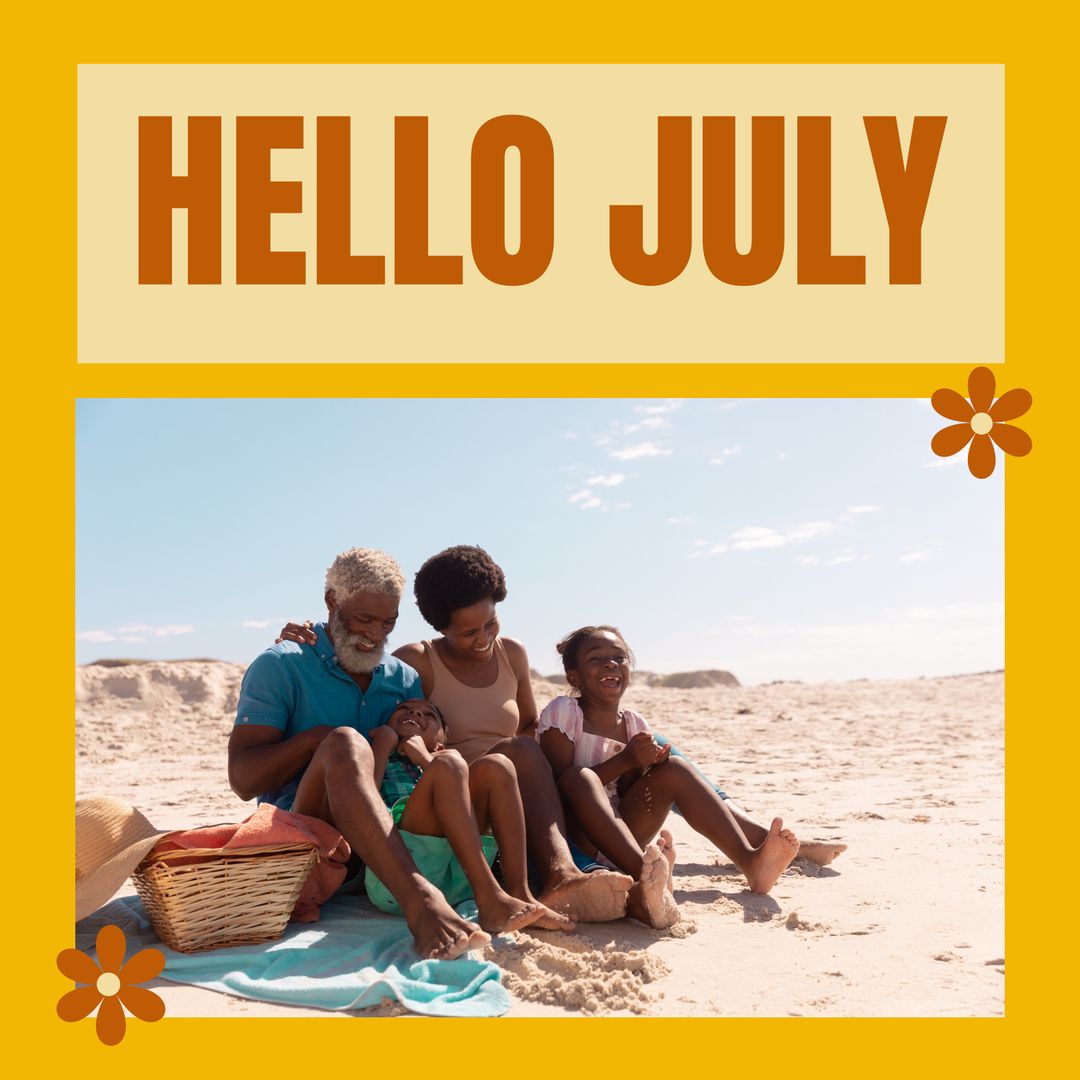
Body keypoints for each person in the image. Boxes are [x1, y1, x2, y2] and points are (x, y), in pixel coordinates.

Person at [277, 545, 634, 923]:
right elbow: (384, 705)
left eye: (491, 623)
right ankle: (553, 876)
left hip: (507, 785)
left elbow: (530, 724)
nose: (484, 638)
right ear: (440, 627)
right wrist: (312, 636)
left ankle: (559, 876)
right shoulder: (413, 662)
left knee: (519, 753)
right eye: (468, 632)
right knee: (499, 758)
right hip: (447, 789)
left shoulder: (512, 653)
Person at [228, 546, 489, 961]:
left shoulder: (403, 679)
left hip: (377, 858)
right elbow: (242, 781)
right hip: (306, 846)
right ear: (332, 601)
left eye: (388, 623)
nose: (374, 635)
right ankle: (419, 901)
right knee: (346, 742)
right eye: (363, 619)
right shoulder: (281, 665)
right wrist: (317, 740)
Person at [537, 625, 804, 915]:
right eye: (595, 658)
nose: (610, 663)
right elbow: (558, 789)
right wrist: (626, 760)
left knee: (674, 767)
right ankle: (645, 873)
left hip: (623, 838)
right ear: (573, 676)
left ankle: (751, 862)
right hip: (577, 838)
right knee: (580, 778)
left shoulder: (635, 724)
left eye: (619, 657)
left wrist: (644, 768)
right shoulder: (564, 712)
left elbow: (626, 797)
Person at [365, 698, 572, 933]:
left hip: (456, 879)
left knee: (498, 765)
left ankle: (519, 893)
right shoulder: (380, 754)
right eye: (404, 708)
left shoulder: (444, 758)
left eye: (429, 715)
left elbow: (449, 770)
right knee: (448, 764)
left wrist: (424, 758)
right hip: (397, 874)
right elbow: (363, 800)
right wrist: (383, 744)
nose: (414, 712)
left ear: (441, 742)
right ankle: (490, 899)